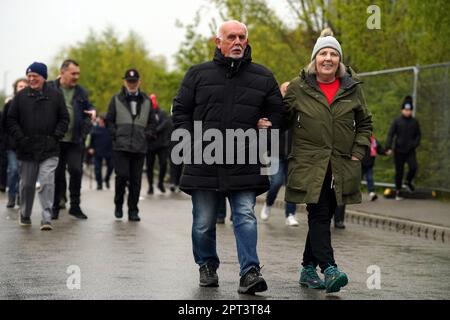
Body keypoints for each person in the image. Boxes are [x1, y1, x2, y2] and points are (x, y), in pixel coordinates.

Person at [172, 20, 284, 294]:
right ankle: (207, 266)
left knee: (245, 215)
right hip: (204, 160)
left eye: (242, 37)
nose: (237, 42)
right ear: (217, 41)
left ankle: (250, 272)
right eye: (231, 37)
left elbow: (279, 115)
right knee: (203, 221)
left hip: (244, 159)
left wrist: (267, 130)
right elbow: (181, 111)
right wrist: (190, 145)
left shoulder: (264, 77)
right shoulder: (197, 74)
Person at [283, 28, 372, 293]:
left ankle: (308, 268)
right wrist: (266, 116)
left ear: (339, 61)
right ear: (315, 59)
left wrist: (359, 150)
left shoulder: (352, 88)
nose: (328, 58)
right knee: (319, 214)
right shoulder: (299, 87)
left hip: (343, 165)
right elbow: (281, 119)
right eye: (323, 53)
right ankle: (330, 268)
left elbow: (365, 122)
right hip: (311, 165)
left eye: (334, 54)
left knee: (325, 215)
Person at [7, 62, 69, 230]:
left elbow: (64, 118)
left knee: (47, 182)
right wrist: (20, 138)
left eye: (35, 76)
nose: (31, 79)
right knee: (27, 185)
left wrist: (56, 136)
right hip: (27, 149)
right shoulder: (21, 97)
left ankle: (46, 218)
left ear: (43, 77)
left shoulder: (56, 96)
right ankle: (25, 214)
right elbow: (11, 119)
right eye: (29, 76)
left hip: (49, 148)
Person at [49, 59, 96, 220]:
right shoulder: (50, 88)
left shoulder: (81, 92)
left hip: (75, 140)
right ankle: (54, 205)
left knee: (76, 170)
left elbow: (89, 109)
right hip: (55, 140)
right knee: (57, 173)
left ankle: (75, 206)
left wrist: (89, 119)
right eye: (73, 73)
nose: (76, 77)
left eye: (78, 73)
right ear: (62, 72)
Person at [106, 68, 155, 222]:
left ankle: (133, 210)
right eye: (129, 81)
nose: (131, 84)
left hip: (139, 147)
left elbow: (152, 123)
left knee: (136, 180)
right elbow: (109, 121)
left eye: (134, 81)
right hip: (121, 146)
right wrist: (115, 135)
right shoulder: (116, 99)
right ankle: (118, 204)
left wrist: (146, 135)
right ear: (125, 82)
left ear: (139, 82)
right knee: (122, 176)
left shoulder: (147, 101)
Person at [260, 81, 299, 227]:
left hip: (294, 154)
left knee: (292, 185)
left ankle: (290, 214)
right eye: (285, 90)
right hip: (276, 152)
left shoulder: (299, 108)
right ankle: (268, 204)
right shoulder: (275, 109)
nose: (288, 92)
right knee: (276, 182)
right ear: (281, 92)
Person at [385, 96, 421, 200]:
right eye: (406, 110)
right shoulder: (397, 121)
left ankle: (408, 181)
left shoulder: (415, 122)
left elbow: (418, 135)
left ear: (411, 111)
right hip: (399, 151)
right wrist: (388, 147)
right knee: (399, 172)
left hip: (410, 151)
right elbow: (390, 134)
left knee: (414, 167)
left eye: (409, 110)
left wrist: (414, 144)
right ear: (402, 110)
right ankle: (398, 191)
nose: (407, 112)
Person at [2, 78, 28, 208]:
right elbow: (3, 125)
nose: (22, 88)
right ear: (15, 88)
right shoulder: (9, 104)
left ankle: (20, 196)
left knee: (23, 172)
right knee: (13, 170)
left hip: (25, 145)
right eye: (20, 86)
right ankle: (11, 196)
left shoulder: (31, 104)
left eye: (24, 86)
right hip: (12, 145)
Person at [146, 94, 171, 194]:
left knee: (163, 163)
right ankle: (150, 185)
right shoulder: (146, 114)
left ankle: (160, 182)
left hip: (161, 144)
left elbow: (165, 124)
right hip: (150, 144)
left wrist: (154, 131)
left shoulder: (162, 113)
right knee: (149, 166)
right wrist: (149, 133)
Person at [88, 115, 113, 190]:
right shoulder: (95, 129)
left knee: (111, 166)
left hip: (109, 151)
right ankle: (99, 183)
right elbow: (91, 140)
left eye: (101, 119)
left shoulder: (110, 129)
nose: (99, 120)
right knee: (97, 169)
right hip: (97, 151)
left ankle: (107, 179)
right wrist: (90, 148)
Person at [362, 133, 386, 202]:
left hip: (369, 164)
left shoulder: (374, 141)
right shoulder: (361, 139)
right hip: (360, 163)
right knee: (356, 179)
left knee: (370, 178)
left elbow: (379, 149)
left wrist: (385, 152)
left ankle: (372, 193)